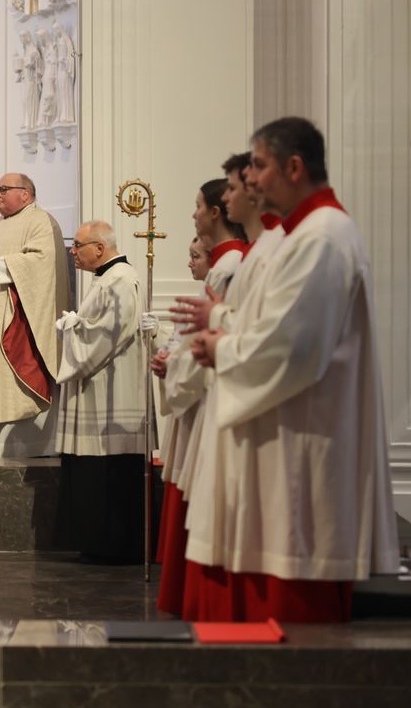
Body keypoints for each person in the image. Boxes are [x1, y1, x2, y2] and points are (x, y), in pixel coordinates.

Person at [187, 117, 400, 622]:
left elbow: (293, 344)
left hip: (304, 440)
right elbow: (275, 324)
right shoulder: (305, 233)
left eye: (259, 166)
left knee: (296, 617)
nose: (253, 180)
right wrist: (226, 329)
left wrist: (222, 348)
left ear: (295, 167)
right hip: (285, 433)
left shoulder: (323, 237)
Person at [152, 171, 248, 612]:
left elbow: (212, 333)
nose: (192, 214)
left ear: (215, 212)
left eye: (196, 206)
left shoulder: (230, 265)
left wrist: (175, 369)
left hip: (210, 396)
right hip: (203, 390)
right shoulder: (233, 262)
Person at [54, 220, 146, 562]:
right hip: (98, 386)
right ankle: (96, 543)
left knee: (112, 473)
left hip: (112, 390)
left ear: (99, 248)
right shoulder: (107, 278)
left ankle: (115, 547)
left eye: (77, 245)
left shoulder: (121, 279)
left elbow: (111, 332)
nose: (73, 252)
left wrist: (71, 328)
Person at [0, 173, 68, 459]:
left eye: (3, 189)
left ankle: (25, 445)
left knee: (13, 378)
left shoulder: (40, 222)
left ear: (25, 193)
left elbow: (41, 262)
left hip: (16, 319)